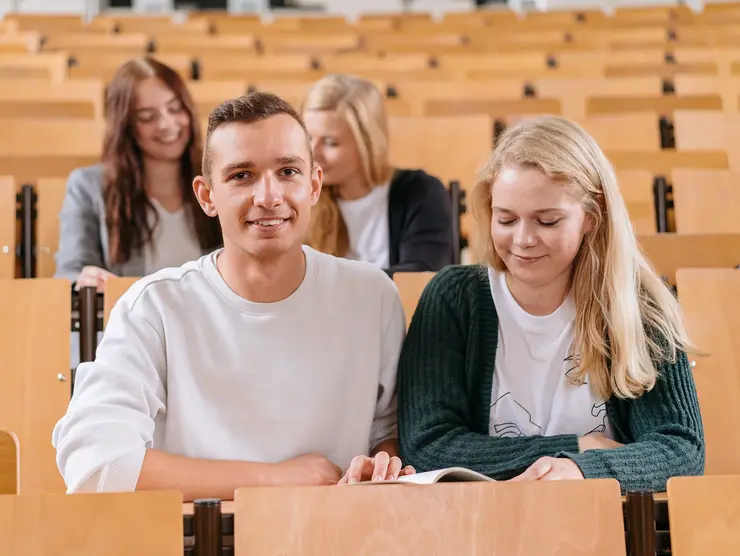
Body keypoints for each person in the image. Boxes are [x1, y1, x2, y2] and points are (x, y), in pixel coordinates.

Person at [52, 92, 414, 502]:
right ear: (207, 196)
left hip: (335, 537)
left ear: (313, 185)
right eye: (242, 175)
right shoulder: (153, 307)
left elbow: (390, 434)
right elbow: (95, 466)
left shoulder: (372, 296)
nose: (268, 196)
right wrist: (275, 480)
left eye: (288, 171)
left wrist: (382, 461)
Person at [396, 115, 704, 492]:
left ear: (592, 217)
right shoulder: (454, 298)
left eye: (547, 221)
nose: (523, 240)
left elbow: (681, 450)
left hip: (607, 531)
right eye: (506, 219)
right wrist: (576, 448)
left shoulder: (639, 307)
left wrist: (582, 471)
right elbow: (427, 446)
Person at [54, 57, 222, 291]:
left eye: (175, 108)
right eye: (146, 117)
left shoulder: (219, 179)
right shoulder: (88, 186)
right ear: (126, 126)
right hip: (130, 323)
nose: (167, 124)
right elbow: (69, 273)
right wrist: (85, 280)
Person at [302, 74, 453, 277]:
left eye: (331, 143)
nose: (314, 153)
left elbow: (418, 278)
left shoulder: (421, 192)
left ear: (367, 144)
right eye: (308, 138)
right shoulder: (300, 195)